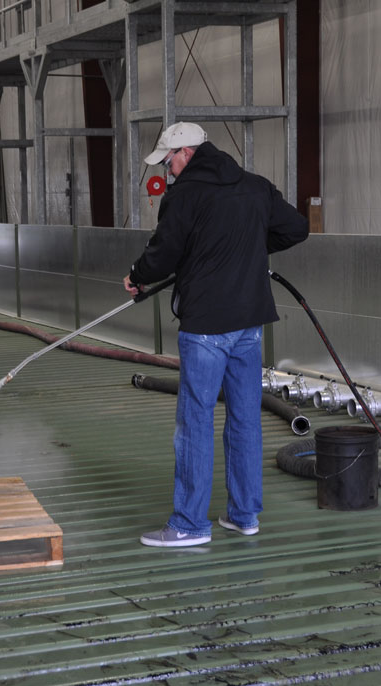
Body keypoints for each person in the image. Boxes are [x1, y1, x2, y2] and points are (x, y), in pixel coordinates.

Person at [123, 121, 310, 548]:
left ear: (186, 153)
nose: (167, 170)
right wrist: (245, 249)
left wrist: (136, 276)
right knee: (245, 421)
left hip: (206, 326)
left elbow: (163, 253)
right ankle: (244, 515)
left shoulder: (185, 194)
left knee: (195, 424)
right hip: (249, 323)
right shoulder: (255, 185)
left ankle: (189, 524)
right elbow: (295, 228)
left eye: (168, 161)